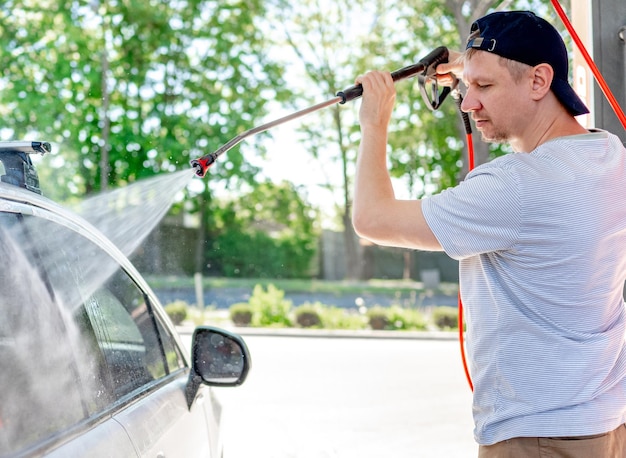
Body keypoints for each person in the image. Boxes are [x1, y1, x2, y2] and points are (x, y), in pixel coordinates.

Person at [352, 10, 626, 457]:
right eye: (468, 86)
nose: (465, 103)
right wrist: (473, 66)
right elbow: (516, 77)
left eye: (484, 88)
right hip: (605, 427)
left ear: (540, 81)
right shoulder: (608, 154)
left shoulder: (515, 186)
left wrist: (374, 122)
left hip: (537, 439)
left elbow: (372, 218)